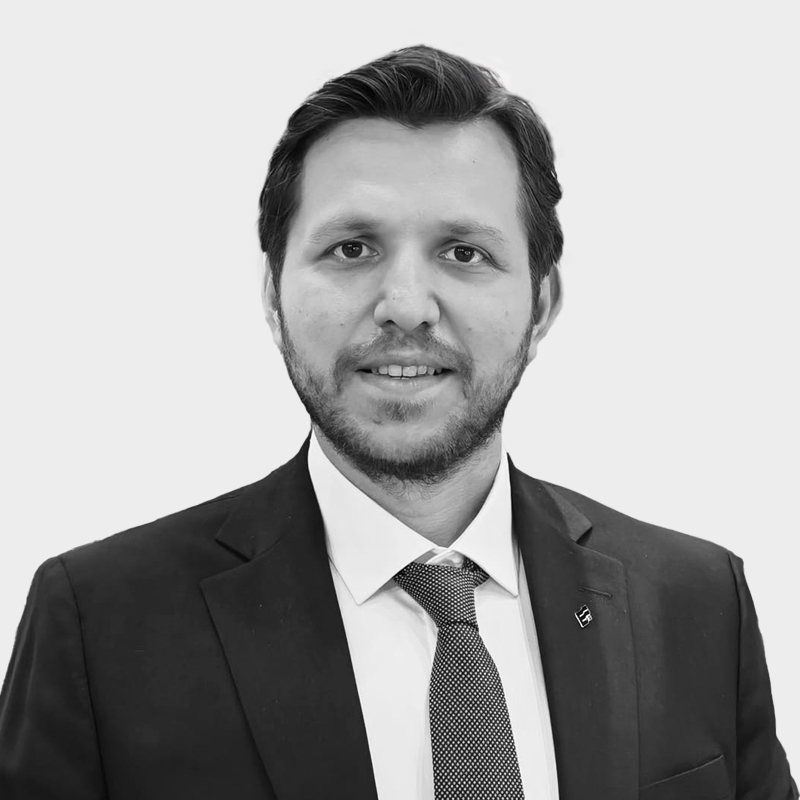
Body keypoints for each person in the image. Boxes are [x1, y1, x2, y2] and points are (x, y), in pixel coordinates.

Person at [0, 44, 795, 800]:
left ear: (542, 303)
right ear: (274, 297)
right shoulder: (98, 625)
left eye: (464, 252)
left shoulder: (697, 602)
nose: (407, 306)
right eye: (352, 249)